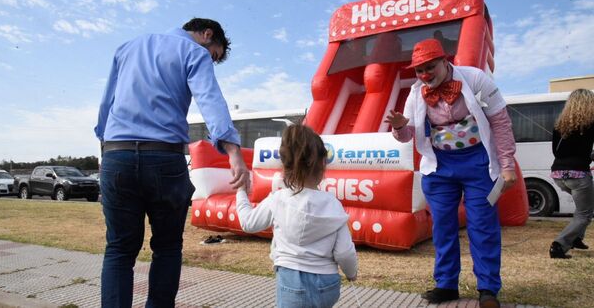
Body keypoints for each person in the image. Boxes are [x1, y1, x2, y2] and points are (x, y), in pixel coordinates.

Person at [94, 17, 250, 308]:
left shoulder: (127, 48)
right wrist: (233, 152)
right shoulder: (194, 52)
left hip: (117, 154)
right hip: (164, 158)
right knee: (166, 248)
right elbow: (211, 101)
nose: (211, 59)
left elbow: (107, 105)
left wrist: (106, 149)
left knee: (118, 250)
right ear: (207, 34)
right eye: (214, 54)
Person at [385, 39, 517, 308]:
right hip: (439, 165)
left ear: (445, 61)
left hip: (478, 162)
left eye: (430, 67)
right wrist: (399, 127)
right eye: (419, 70)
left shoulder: (475, 79)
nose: (425, 75)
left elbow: (500, 123)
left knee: (482, 225)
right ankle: (446, 285)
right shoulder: (415, 93)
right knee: (443, 226)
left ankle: (488, 288)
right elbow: (406, 136)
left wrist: (507, 165)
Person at [235, 124, 358, 308]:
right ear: (323, 164)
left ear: (285, 165)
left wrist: (240, 192)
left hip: (291, 282)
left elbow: (248, 223)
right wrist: (351, 273)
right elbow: (344, 252)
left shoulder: (278, 199)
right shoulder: (333, 204)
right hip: (328, 284)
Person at [549, 89, 594, 259]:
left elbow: (556, 152)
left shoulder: (559, 124)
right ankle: (559, 245)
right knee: (585, 213)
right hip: (579, 175)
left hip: (559, 174)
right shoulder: (590, 124)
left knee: (584, 208)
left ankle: (577, 238)